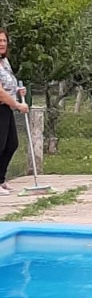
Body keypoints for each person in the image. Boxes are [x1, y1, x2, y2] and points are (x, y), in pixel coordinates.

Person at [0, 30, 28, 193]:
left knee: (11, 144)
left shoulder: (5, 62)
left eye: (4, 40)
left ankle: (1, 179)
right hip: (2, 106)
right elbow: (1, 93)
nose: (2, 44)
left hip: (7, 108)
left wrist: (18, 90)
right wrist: (18, 105)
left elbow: (9, 84)